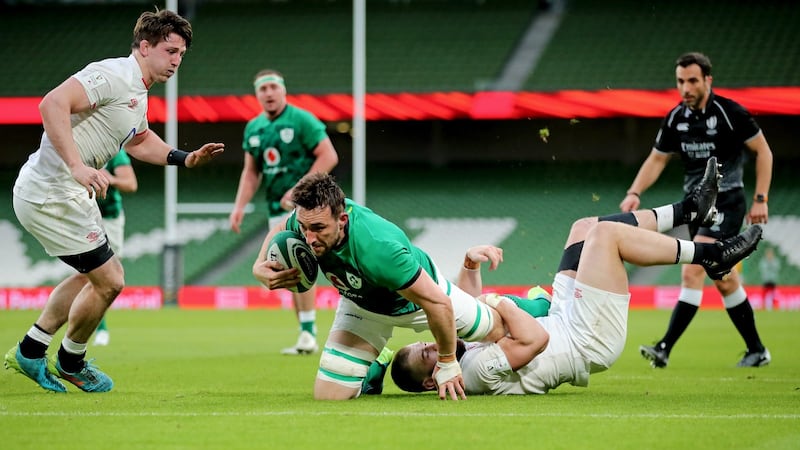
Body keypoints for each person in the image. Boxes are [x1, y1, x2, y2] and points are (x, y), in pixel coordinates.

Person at [392, 159, 764, 396]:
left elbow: (471, 312)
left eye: (424, 343)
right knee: (606, 236)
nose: (433, 345)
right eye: (426, 353)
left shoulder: (457, 356)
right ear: (430, 381)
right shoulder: (471, 375)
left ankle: (690, 210)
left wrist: (470, 266)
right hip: (586, 339)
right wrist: (498, 301)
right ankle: (713, 255)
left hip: (565, 319)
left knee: (584, 227)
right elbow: (534, 339)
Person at [4, 9, 224, 393]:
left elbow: (139, 141)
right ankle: (72, 361)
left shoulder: (138, 94)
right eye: (170, 50)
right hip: (51, 193)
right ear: (144, 46)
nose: (176, 60)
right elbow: (51, 104)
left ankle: (31, 349)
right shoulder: (113, 75)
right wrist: (76, 165)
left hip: (65, 193)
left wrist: (183, 158)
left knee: (92, 277)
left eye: (181, 55)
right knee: (111, 281)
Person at [253, 172, 508, 401]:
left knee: (499, 331)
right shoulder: (310, 218)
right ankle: (376, 365)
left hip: (417, 300)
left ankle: (537, 307)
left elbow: (437, 303)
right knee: (328, 395)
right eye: (303, 227)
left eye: (318, 229)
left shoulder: (378, 249)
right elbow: (280, 226)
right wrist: (259, 265)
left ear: (342, 219)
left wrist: (447, 361)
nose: (308, 238)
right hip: (361, 304)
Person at [619, 52, 773, 368]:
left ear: (707, 81)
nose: (685, 88)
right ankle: (756, 350)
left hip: (728, 201)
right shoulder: (676, 117)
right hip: (695, 208)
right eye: (680, 81)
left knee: (692, 268)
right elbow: (657, 158)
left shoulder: (730, 113)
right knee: (724, 279)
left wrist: (760, 199)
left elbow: (764, 152)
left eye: (692, 80)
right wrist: (635, 192)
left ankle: (663, 348)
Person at [230, 69, 338, 356]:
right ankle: (306, 333)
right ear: (257, 95)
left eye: (272, 87)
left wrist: (300, 189)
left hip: (309, 210)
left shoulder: (301, 119)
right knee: (289, 267)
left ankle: (311, 332)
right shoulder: (253, 128)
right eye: (262, 89)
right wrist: (239, 206)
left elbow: (328, 155)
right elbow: (251, 172)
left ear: (282, 91)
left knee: (303, 264)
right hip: (275, 209)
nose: (267, 93)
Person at [93, 149, 139, 346]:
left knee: (110, 277)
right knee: (88, 274)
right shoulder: (75, 144)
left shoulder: (114, 153)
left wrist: (110, 179)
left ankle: (97, 327)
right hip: (82, 216)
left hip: (110, 218)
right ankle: (97, 329)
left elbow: (131, 184)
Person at [758, 246, 780, 311]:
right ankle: (763, 306)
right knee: (764, 293)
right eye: (768, 253)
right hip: (766, 280)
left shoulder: (775, 261)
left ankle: (775, 306)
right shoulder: (764, 261)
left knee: (774, 294)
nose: (769, 255)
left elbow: (776, 269)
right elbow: (763, 270)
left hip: (773, 280)